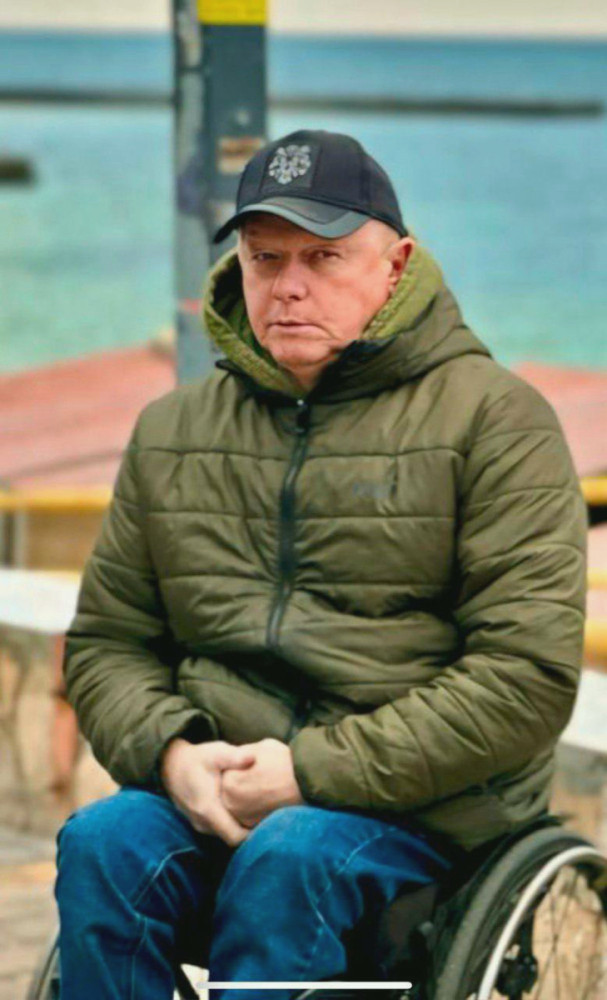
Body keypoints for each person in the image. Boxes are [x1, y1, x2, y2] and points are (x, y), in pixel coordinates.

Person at [55, 130, 587, 999]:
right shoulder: (172, 431)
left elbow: (524, 677)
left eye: (323, 257)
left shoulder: (497, 423)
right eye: (265, 259)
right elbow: (109, 643)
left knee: (292, 855)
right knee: (103, 841)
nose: (289, 285)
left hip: (421, 810)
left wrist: (308, 773)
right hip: (216, 786)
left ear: (396, 264)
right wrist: (174, 755)